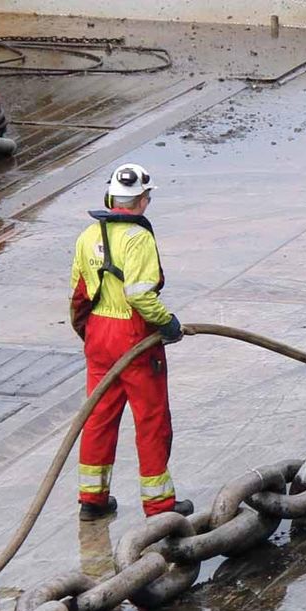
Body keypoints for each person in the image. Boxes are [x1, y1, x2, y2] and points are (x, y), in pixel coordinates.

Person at [69, 162, 192, 520]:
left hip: (98, 335)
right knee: (151, 421)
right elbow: (139, 294)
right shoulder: (139, 239)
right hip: (134, 337)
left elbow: (78, 294)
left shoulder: (87, 236)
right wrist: (167, 324)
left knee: (98, 418)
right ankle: (159, 505)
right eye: (146, 198)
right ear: (140, 200)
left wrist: (89, 334)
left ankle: (92, 500)